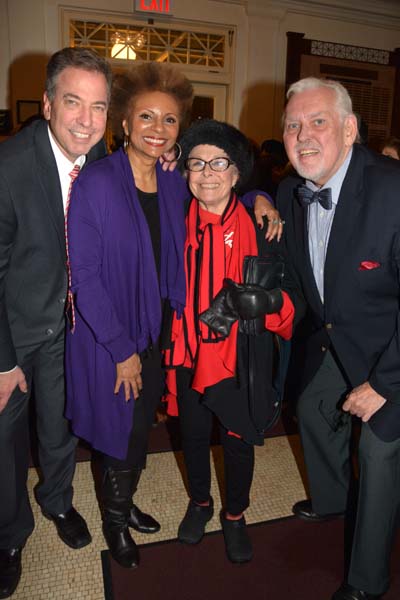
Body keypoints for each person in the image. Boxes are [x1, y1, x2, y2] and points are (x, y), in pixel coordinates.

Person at [64, 63, 279, 570]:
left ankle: (126, 503)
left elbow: (221, 191)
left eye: (169, 120)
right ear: (124, 122)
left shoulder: (174, 184)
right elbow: (85, 278)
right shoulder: (96, 183)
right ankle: (115, 525)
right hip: (112, 334)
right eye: (146, 117)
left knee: (139, 427)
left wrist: (261, 197)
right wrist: (122, 352)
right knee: (120, 427)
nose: (157, 128)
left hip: (162, 330)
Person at [277, 76, 400, 600]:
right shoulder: (289, 191)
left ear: (350, 130)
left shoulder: (393, 190)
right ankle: (332, 499)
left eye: (317, 122)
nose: (303, 135)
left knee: (377, 450)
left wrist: (386, 385)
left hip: (394, 352)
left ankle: (367, 581)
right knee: (310, 405)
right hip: (339, 337)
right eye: (292, 125)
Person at [163, 118, 301, 564]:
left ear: (237, 172)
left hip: (240, 354)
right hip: (186, 348)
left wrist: (269, 303)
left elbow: (294, 301)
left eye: (218, 162)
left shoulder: (264, 228)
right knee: (194, 433)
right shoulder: (172, 223)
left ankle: (235, 514)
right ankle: (200, 502)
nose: (206, 172)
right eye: (197, 163)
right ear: (186, 173)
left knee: (238, 440)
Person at [0, 47, 112, 598]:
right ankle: (9, 535)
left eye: (98, 106)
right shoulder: (8, 166)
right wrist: (1, 363)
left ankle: (59, 502)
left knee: (62, 426)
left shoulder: (103, 161)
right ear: (47, 104)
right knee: (3, 439)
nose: (86, 121)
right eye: (73, 103)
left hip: (72, 328)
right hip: (15, 332)